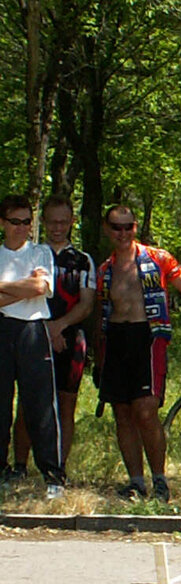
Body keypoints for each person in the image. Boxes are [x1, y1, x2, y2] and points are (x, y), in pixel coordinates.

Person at [95, 205, 181, 501]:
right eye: (116, 227)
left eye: (128, 227)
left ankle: (159, 479)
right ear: (107, 230)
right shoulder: (104, 270)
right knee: (122, 413)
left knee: (146, 410)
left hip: (148, 336)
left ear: (135, 227)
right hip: (116, 339)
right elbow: (98, 313)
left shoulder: (157, 259)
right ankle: (136, 482)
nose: (122, 233)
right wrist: (97, 356)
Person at [11, 195, 95, 477]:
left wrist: (59, 326)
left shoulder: (82, 260)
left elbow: (87, 303)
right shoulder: (31, 253)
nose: (57, 227)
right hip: (33, 333)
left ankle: (58, 467)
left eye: (63, 222)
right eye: (51, 222)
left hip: (71, 338)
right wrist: (46, 328)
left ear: (72, 222)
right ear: (43, 222)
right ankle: (20, 466)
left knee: (65, 403)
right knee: (28, 402)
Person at [0, 194, 66, 499]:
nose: (22, 227)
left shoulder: (40, 253)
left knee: (40, 404)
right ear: (3, 223)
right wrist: (22, 288)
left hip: (33, 329)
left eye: (27, 221)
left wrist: (6, 288)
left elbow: (41, 288)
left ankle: (53, 475)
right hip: (3, 329)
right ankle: (4, 473)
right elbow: (28, 288)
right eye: (15, 221)